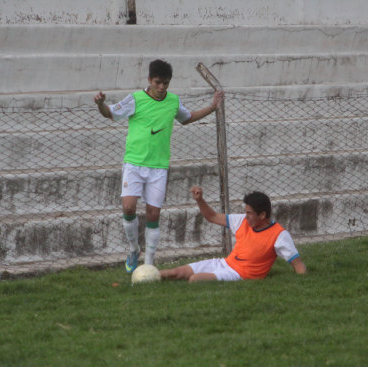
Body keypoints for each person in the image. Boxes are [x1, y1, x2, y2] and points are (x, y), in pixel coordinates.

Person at [94, 59, 224, 273]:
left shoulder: (173, 101)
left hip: (158, 167)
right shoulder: (136, 99)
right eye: (158, 82)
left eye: (166, 83)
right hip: (134, 163)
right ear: (149, 80)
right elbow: (110, 113)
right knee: (128, 207)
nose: (162, 87)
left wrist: (212, 106)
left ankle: (149, 264)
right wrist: (100, 104)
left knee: (154, 213)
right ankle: (134, 249)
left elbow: (188, 117)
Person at [160, 186, 307, 282]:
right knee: (175, 273)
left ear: (262, 215)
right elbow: (212, 217)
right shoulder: (243, 220)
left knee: (194, 279)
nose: (246, 216)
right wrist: (200, 200)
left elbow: (297, 263)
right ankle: (142, 278)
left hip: (240, 275)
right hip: (225, 263)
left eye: (249, 213)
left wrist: (304, 284)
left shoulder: (279, 235)